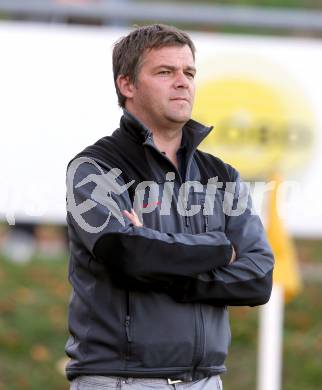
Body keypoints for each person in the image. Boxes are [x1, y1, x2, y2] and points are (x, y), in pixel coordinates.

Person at [65, 24, 274, 390]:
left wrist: (165, 263)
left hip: (206, 382)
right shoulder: (92, 169)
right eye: (165, 72)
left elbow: (258, 278)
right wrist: (222, 249)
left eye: (189, 72)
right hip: (121, 381)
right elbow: (128, 254)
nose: (183, 82)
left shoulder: (221, 174)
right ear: (127, 85)